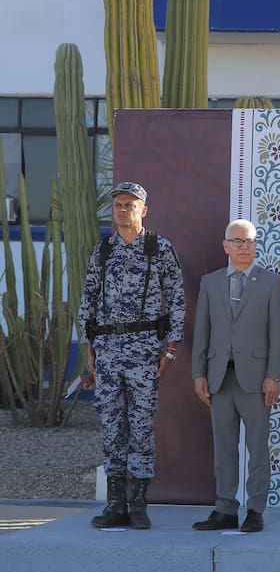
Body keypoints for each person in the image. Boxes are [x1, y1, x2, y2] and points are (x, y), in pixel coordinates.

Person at [78, 181, 186, 530]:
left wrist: (170, 349)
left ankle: (138, 503)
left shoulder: (159, 248)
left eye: (130, 204)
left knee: (140, 427)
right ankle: (115, 504)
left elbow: (177, 300)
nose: (123, 210)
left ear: (144, 209)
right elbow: (89, 299)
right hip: (108, 352)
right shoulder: (104, 250)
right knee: (112, 428)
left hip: (145, 351)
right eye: (118, 205)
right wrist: (89, 347)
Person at [190, 219, 280, 534]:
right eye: (238, 241)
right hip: (219, 378)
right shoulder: (211, 282)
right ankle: (225, 508)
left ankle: (255, 509)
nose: (244, 247)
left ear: (256, 245)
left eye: (250, 241)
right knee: (224, 447)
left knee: (257, 448)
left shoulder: (271, 282)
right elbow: (201, 332)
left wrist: (274, 375)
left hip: (257, 379)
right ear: (226, 246)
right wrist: (198, 374)